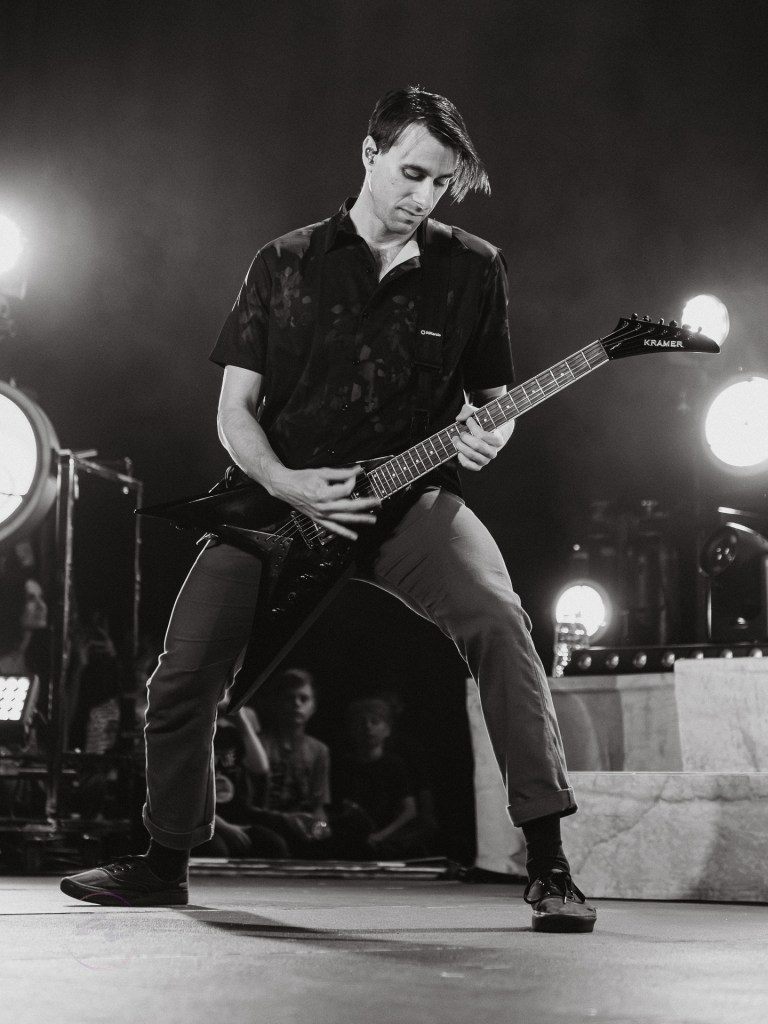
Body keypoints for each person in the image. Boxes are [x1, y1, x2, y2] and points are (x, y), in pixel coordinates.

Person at [61, 86, 595, 932]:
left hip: (412, 503)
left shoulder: (473, 268)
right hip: (282, 507)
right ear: (370, 153)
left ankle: (551, 865)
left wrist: (493, 434)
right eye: (413, 173)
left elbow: (496, 402)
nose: (425, 196)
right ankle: (165, 862)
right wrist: (287, 482)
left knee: (500, 622)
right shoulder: (284, 262)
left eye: (441, 183)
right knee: (183, 675)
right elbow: (234, 412)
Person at [331, 696, 423, 860]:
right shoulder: (343, 765)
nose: (368, 727)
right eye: (361, 722)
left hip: (386, 839)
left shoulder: (394, 765)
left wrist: (380, 836)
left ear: (387, 729)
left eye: (375, 721)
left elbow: (410, 810)